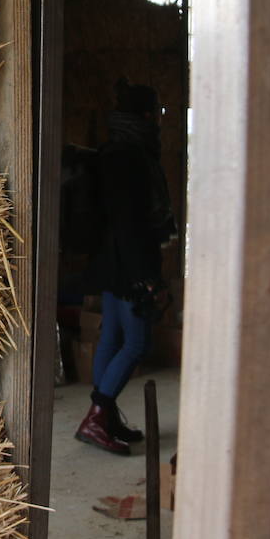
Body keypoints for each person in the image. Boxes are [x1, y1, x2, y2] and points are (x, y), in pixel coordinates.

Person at [76, 79, 175, 456]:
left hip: (110, 260)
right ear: (147, 115)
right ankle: (97, 417)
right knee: (137, 342)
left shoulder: (113, 150)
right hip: (129, 263)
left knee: (112, 337)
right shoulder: (132, 157)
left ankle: (106, 415)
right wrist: (145, 276)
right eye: (159, 112)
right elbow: (130, 222)